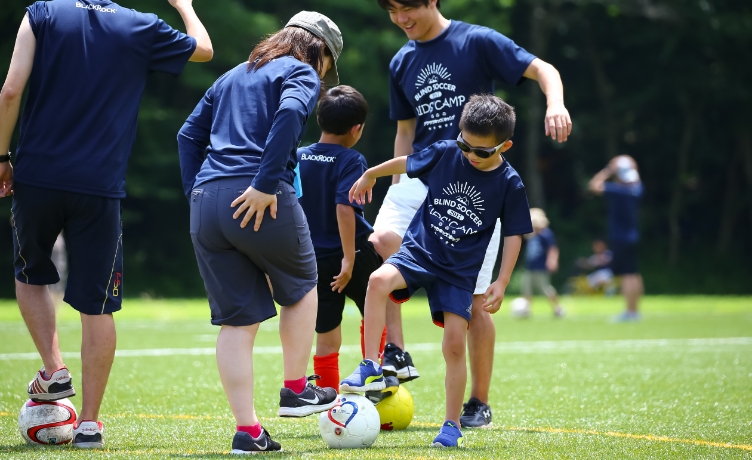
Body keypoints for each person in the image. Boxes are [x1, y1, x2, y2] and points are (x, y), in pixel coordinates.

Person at [0, 0, 212, 449]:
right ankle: (91, 424)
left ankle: (55, 371)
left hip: (37, 174)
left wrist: (2, 156)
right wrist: (186, 7)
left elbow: (10, 91)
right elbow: (205, 50)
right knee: (98, 304)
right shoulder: (141, 25)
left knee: (30, 273)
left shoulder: (42, 13)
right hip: (100, 185)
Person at [369, 0, 572, 428]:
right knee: (381, 239)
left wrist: (555, 104)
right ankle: (396, 351)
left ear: (433, 2)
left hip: (476, 187)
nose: (402, 19)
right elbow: (405, 131)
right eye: (392, 11)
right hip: (424, 172)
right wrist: (395, 187)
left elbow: (543, 69)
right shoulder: (402, 60)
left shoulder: (475, 40)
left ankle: (478, 401)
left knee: (476, 303)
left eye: (409, 9)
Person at [177, 11, 342, 454]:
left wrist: (197, 192)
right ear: (320, 52)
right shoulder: (302, 71)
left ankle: (248, 432)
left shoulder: (232, 74)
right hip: (258, 195)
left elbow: (187, 134)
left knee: (237, 321)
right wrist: (265, 183)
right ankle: (294, 389)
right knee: (303, 286)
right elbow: (290, 112)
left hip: (206, 200)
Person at [340, 94, 533, 447]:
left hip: (459, 272)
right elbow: (408, 162)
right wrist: (371, 173)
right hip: (420, 251)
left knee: (455, 345)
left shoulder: (509, 182)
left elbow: (516, 233)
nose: (471, 155)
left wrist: (502, 281)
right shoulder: (447, 152)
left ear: (505, 145)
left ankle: (450, 425)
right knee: (378, 279)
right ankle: (370, 364)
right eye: (465, 145)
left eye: (482, 151)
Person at [296, 85, 392, 395]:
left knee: (326, 332)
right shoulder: (352, 159)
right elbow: (344, 207)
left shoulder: (298, 156)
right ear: (357, 129)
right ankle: (375, 378)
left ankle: (326, 398)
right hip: (352, 254)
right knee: (375, 311)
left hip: (314, 260)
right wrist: (349, 259)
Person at [588, 155, 644, 321]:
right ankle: (635, 311)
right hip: (633, 237)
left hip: (621, 238)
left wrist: (608, 170)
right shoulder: (637, 190)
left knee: (626, 274)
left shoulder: (619, 191)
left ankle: (630, 312)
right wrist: (629, 166)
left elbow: (593, 186)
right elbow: (634, 176)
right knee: (634, 273)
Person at [521, 207, 564, 317]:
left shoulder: (546, 234)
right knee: (527, 289)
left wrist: (552, 261)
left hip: (541, 267)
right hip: (530, 266)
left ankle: (557, 308)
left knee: (546, 289)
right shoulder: (532, 234)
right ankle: (526, 310)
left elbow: (552, 249)